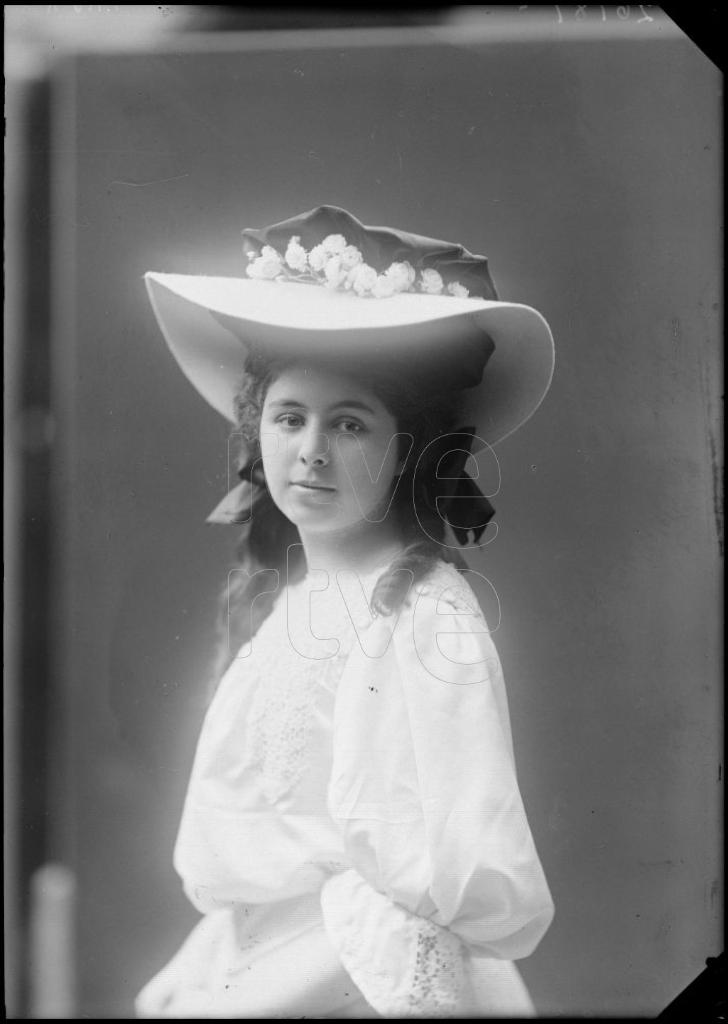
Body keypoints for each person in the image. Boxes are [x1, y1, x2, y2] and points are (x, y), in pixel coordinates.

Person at [135, 205, 556, 1018]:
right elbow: (286, 853)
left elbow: (423, 905)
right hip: (267, 968)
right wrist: (198, 962)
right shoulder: (292, 601)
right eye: (289, 417)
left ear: (409, 448)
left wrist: (237, 1004)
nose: (312, 450)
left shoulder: (425, 614)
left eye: (351, 423)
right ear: (256, 429)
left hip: (359, 986)